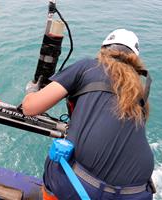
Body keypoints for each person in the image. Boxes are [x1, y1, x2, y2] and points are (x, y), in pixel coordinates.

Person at [22, 29, 155, 200]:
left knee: (56, 158)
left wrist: (32, 90)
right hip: (139, 192)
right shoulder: (139, 89)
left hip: (85, 189)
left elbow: (30, 108)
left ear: (103, 50)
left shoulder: (88, 66)